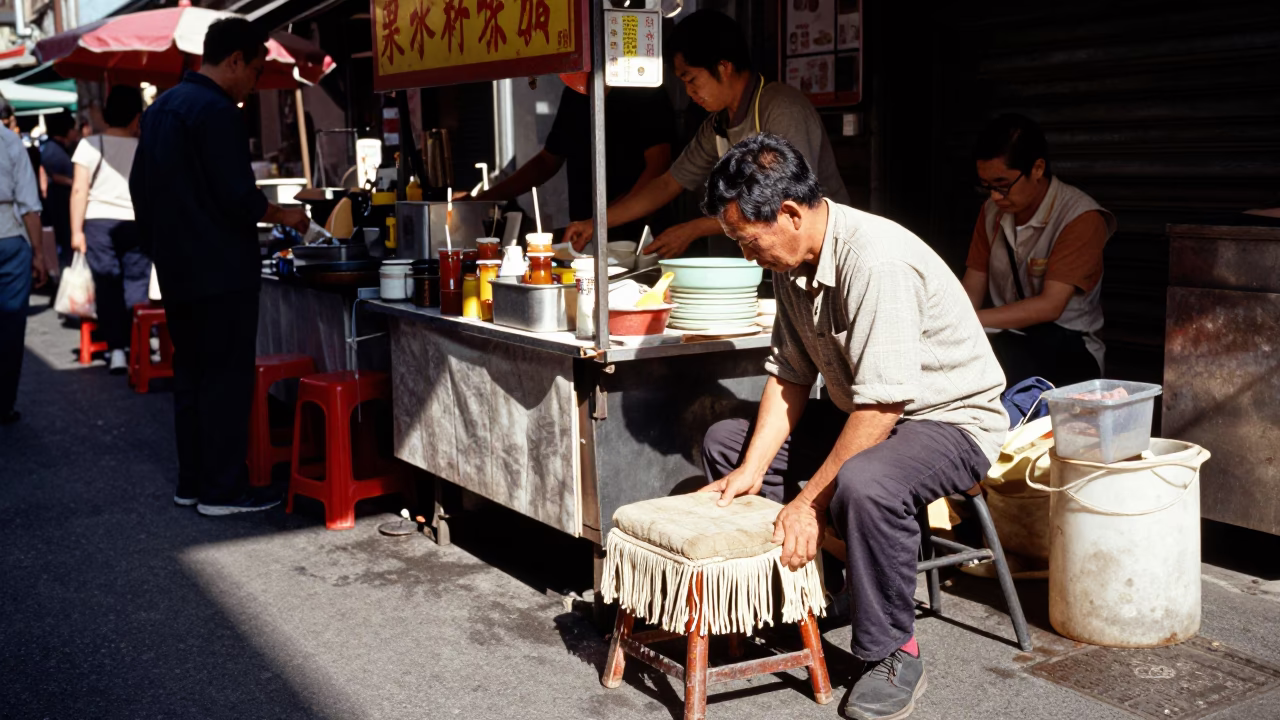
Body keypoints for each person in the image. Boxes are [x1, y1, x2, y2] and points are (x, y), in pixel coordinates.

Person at [697, 134, 1006, 720]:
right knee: (727, 443)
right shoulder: (791, 262)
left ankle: (893, 650)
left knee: (867, 483)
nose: (746, 255)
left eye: (747, 240)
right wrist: (751, 470)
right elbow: (789, 375)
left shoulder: (875, 259)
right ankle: (819, 592)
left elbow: (883, 408)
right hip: (868, 417)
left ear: (788, 213)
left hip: (949, 421)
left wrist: (810, 501)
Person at [130, 18, 309, 515]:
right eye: (254, 70)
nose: (254, 82)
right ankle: (223, 490)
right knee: (225, 379)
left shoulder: (163, 107)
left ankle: (194, 482)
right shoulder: (217, 111)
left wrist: (158, 248)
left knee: (190, 376)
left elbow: (138, 190)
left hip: (178, 268)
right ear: (233, 60)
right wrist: (284, 214)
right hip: (221, 268)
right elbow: (238, 197)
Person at [564, 9, 849, 258]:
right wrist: (596, 223)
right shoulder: (716, 124)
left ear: (723, 67)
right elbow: (667, 184)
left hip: (818, 251)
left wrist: (694, 229)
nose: (689, 92)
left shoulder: (782, 108)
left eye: (692, 79)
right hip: (768, 254)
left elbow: (785, 201)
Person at [961, 114, 1116, 387]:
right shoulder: (991, 212)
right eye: (987, 186)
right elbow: (972, 287)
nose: (995, 196)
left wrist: (968, 320)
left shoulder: (1080, 217)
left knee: (1001, 366)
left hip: (1069, 346)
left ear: (1037, 168)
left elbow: (1050, 306)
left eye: (1002, 184)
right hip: (1008, 337)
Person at [470, 77, 674, 243]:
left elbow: (658, 168)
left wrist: (602, 220)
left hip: (641, 235)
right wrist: (487, 197)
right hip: (585, 234)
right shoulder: (575, 94)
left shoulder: (645, 90)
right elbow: (547, 161)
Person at [70, 86, 147, 374]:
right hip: (136, 222)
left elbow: (79, 190)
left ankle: (117, 350)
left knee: (108, 286)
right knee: (136, 284)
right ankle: (137, 346)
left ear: (106, 113)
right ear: (136, 117)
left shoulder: (90, 145)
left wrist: (76, 232)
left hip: (98, 223)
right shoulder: (145, 147)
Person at [0, 91, 49, 425]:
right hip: (9, 238)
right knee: (10, 328)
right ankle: (3, 404)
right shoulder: (9, 142)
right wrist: (39, 256)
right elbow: (30, 205)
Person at [40, 111, 81, 267]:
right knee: (65, 243)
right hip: (60, 202)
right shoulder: (53, 150)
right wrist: (76, 183)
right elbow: (56, 176)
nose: (75, 132)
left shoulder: (57, 148)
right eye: (73, 128)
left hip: (61, 201)